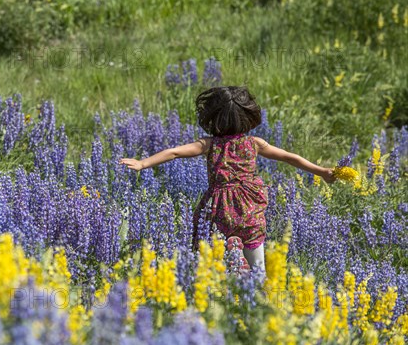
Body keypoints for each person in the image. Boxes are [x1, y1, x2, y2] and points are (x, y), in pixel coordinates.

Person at [119, 86, 336, 271]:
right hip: (249, 204)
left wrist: (143, 163)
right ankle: (255, 283)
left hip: (219, 206)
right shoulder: (254, 143)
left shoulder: (210, 144)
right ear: (247, 117)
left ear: (214, 118)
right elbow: (290, 158)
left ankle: (223, 281)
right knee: (255, 254)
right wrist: (321, 171)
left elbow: (174, 152)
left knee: (213, 252)